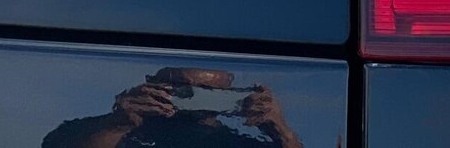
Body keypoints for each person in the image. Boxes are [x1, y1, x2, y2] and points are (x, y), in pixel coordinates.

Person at [43, 66, 303, 148]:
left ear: (234, 96)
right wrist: (118, 125)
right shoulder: (92, 130)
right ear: (153, 85)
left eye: (213, 94)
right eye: (183, 90)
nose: (196, 100)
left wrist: (281, 131)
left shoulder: (241, 144)